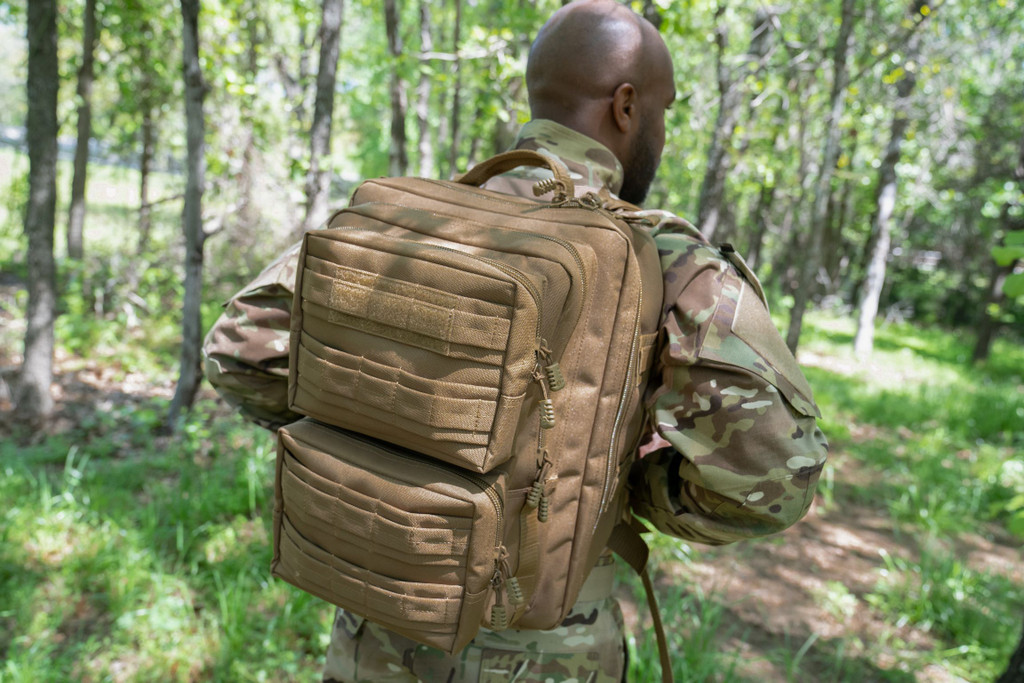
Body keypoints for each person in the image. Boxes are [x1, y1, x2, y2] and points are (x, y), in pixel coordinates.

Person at [202, 1, 829, 681]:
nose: (663, 130)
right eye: (663, 110)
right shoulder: (665, 258)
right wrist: (612, 485)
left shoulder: (417, 220)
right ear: (626, 106)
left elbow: (241, 350)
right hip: (541, 651)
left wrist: (374, 435)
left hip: (374, 628)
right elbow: (775, 478)